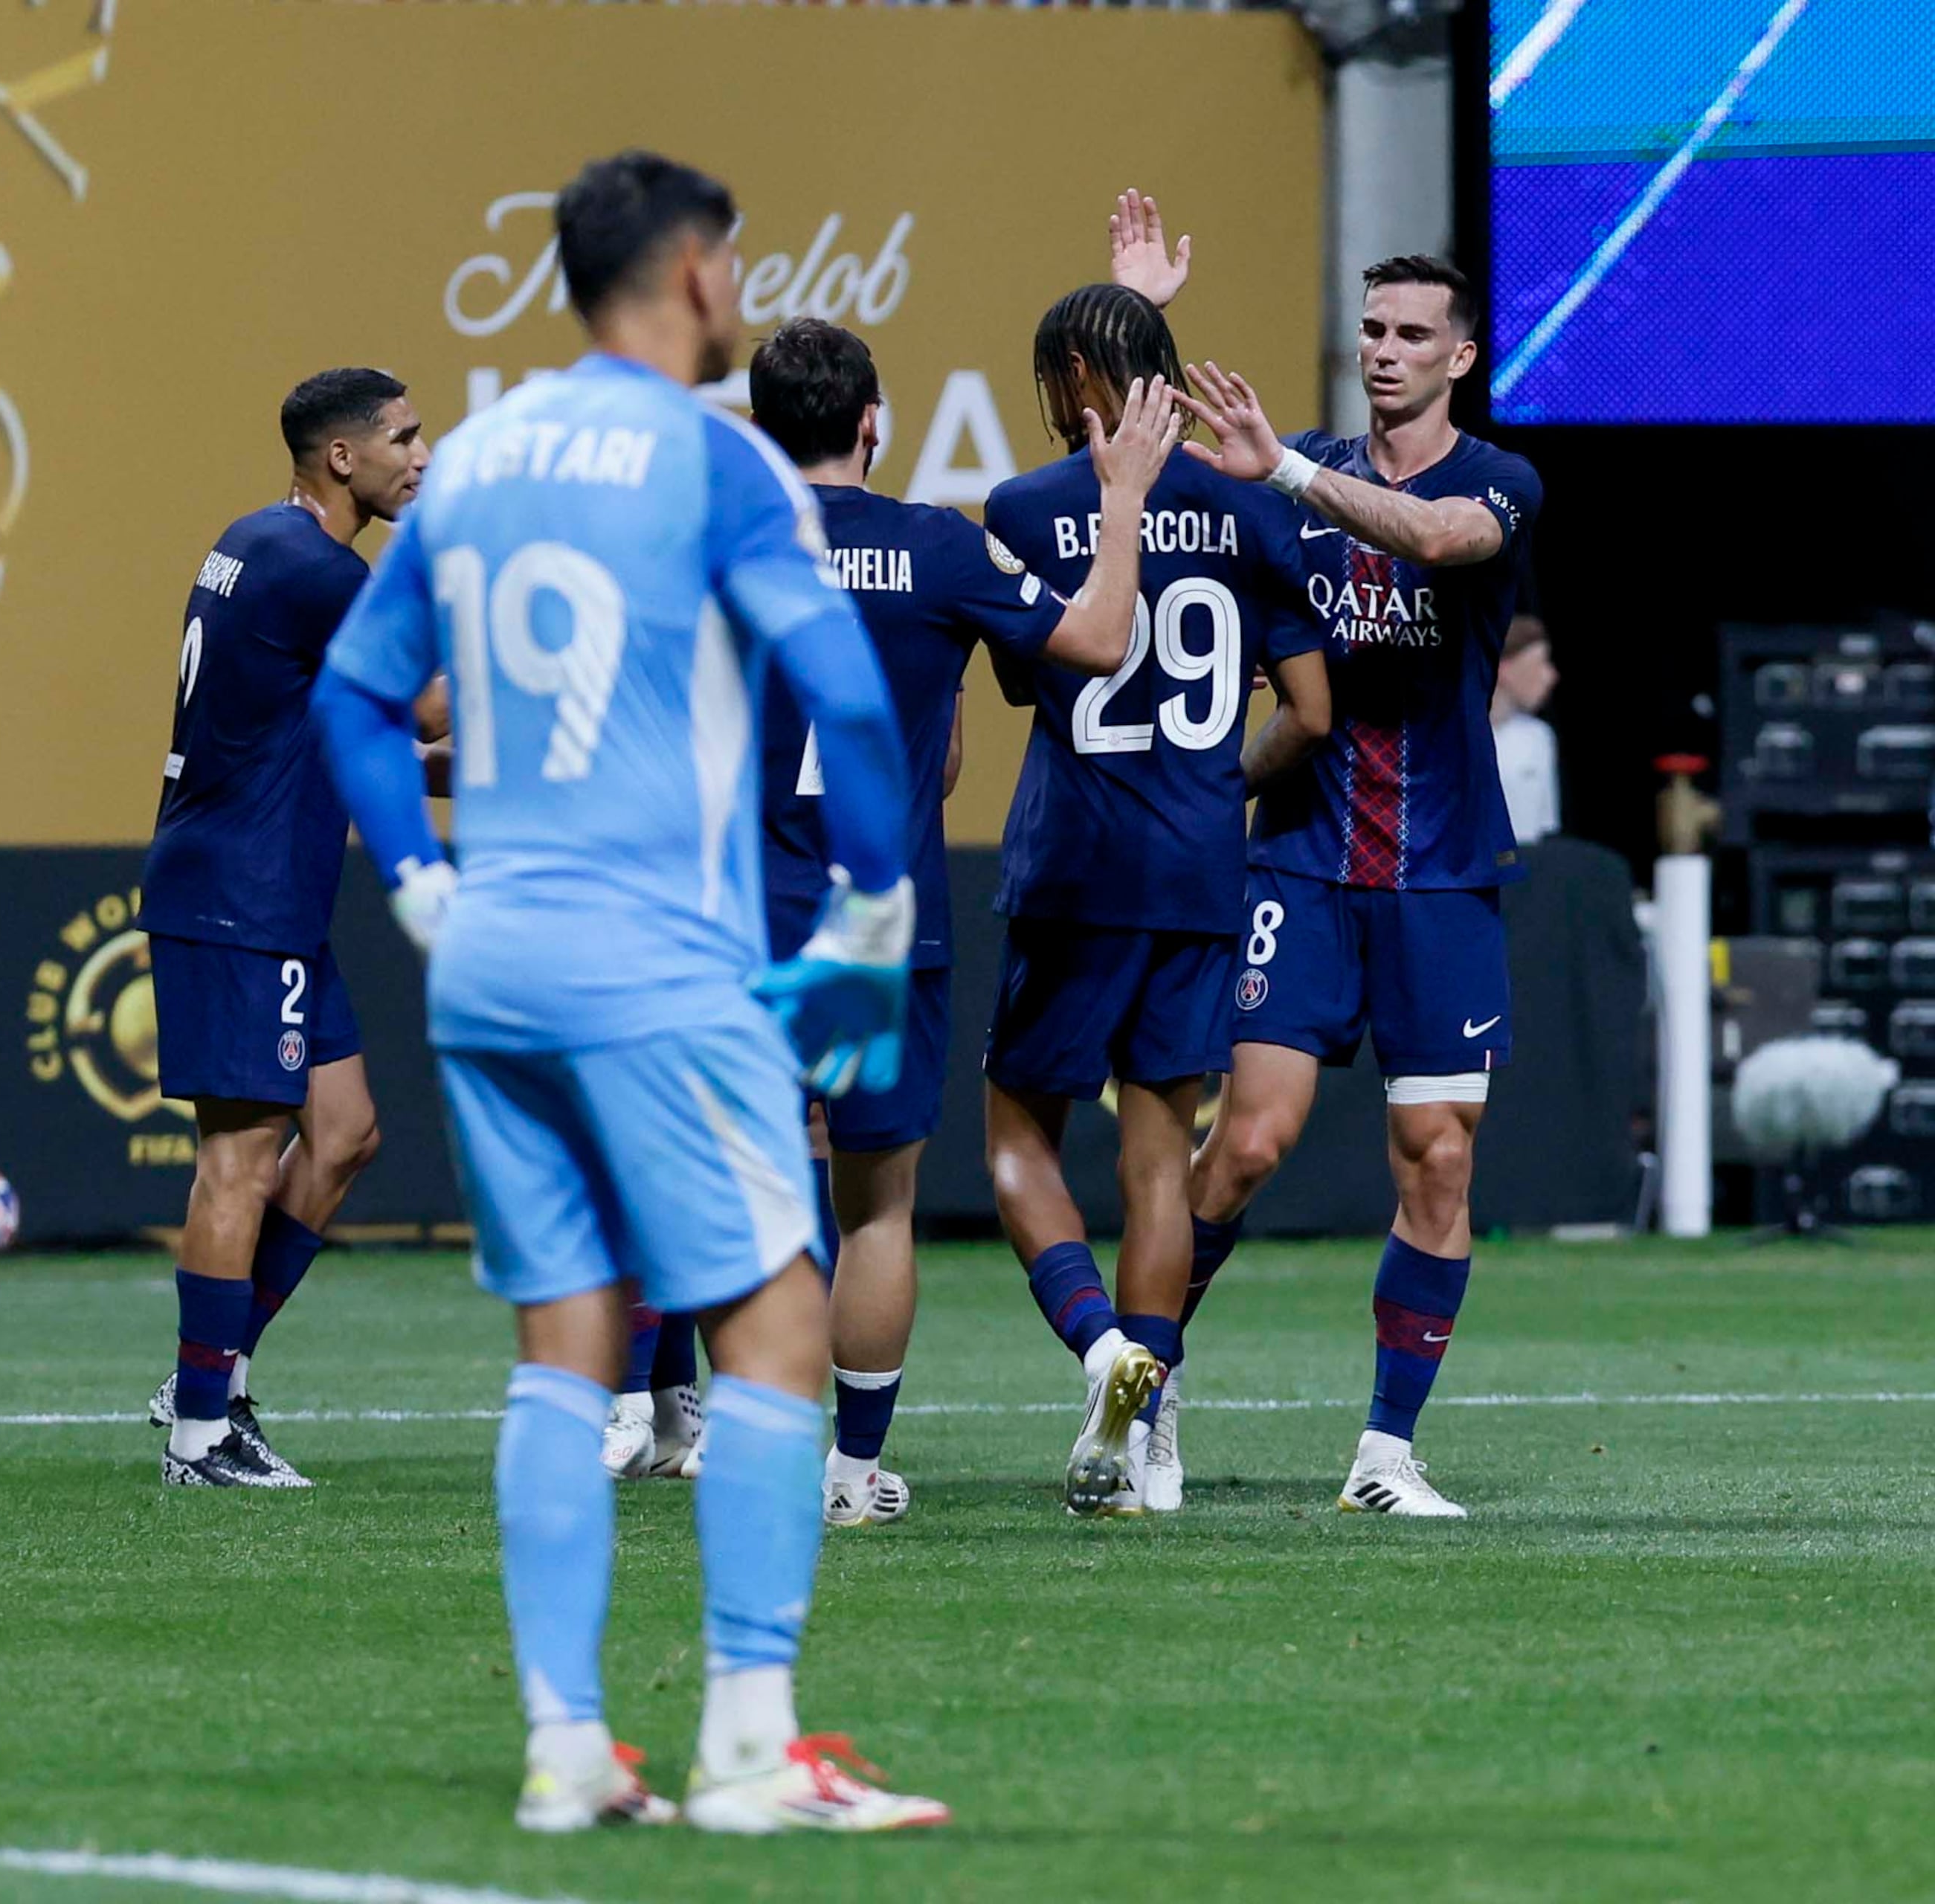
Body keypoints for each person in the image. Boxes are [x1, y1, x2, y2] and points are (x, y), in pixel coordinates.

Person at [313, 149, 947, 1833]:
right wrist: (877, 903)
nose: (739, 291)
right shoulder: (719, 463)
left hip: (497, 962)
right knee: (773, 1323)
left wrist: (424, 884)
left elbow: (359, 697)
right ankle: (749, 1742)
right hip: (660, 954)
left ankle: (566, 1743)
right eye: (730, 263)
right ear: (683, 272)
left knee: (564, 1349)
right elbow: (851, 704)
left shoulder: (486, 451)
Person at [733, 313, 1177, 1525]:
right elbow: (1095, 641)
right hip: (883, 926)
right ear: (874, 422)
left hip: (741, 922)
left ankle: (737, 1443)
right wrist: (1124, 492)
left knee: (740, 1190)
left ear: (758, 429)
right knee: (875, 1205)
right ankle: (851, 1470)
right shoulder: (939, 548)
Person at [1161, 256, 1542, 1519]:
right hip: (1304, 863)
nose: (1385, 349)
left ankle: (1385, 1455)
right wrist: (1145, 315)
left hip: (1440, 874)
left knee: (1436, 1159)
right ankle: (1142, 1388)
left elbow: (1436, 540)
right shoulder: (1289, 476)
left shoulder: (1496, 483)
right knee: (1251, 1142)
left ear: (1460, 357)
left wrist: (1283, 470)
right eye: (1373, 328)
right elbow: (1144, 463)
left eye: (1413, 333)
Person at [981, 282, 1329, 1517]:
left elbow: (1042, 683)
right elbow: (1314, 714)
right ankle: (1154, 1426)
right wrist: (1213, 791)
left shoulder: (1025, 507)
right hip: (1195, 869)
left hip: (1073, 862)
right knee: (1156, 1160)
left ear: (1075, 376)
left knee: (1018, 1140)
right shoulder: (1247, 499)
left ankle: (1102, 1349)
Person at [140, 367, 428, 1488]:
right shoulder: (318, 571)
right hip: (240, 896)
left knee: (345, 1130)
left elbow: (370, 735)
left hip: (269, 897)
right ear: (341, 458)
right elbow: (434, 707)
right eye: (403, 437)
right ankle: (202, 1434)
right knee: (240, 1160)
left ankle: (213, 1373)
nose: (421, 454)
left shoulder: (256, 542)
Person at [1490, 613, 1560, 844]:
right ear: (1505, 669)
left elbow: (1545, 830)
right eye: (1540, 664)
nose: (1551, 676)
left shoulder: (1539, 738)